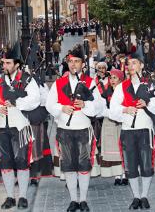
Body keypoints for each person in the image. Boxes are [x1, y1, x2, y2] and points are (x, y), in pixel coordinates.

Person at [0, 43, 41, 209]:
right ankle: (10, 197)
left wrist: (17, 101)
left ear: (17, 64)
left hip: (21, 127)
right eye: (4, 63)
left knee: (22, 161)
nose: (5, 66)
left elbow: (35, 99)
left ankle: (22, 196)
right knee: (5, 163)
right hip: (1, 127)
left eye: (8, 63)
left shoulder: (27, 80)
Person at [45, 44, 100, 212]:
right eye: (71, 61)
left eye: (77, 61)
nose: (73, 64)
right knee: (68, 165)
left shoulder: (90, 82)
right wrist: (61, 108)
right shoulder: (59, 83)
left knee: (84, 165)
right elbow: (49, 104)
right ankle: (73, 200)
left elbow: (98, 107)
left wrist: (84, 105)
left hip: (83, 128)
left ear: (83, 63)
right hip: (65, 129)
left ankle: (83, 200)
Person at [109, 53, 155, 210]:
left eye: (134, 63)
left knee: (147, 165)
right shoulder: (122, 86)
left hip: (145, 130)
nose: (130, 66)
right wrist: (125, 109)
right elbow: (112, 109)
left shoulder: (150, 84)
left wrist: (147, 103)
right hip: (128, 130)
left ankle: (144, 196)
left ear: (141, 65)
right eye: (128, 64)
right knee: (131, 166)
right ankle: (136, 196)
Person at [97, 69, 127, 185]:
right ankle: (117, 175)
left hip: (122, 122)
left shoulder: (125, 90)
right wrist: (109, 112)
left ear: (120, 79)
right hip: (109, 122)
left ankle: (125, 174)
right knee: (113, 149)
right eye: (111, 78)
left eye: (115, 78)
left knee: (123, 148)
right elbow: (101, 107)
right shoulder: (106, 91)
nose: (112, 80)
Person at [29, 69, 54, 186]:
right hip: (20, 120)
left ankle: (34, 175)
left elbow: (46, 100)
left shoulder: (40, 85)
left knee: (35, 148)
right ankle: (21, 175)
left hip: (35, 120)